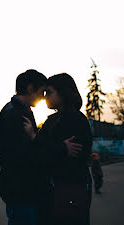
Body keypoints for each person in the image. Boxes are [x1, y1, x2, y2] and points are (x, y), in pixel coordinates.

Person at [0, 70, 83, 225]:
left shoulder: (20, 111)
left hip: (23, 189)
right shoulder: (15, 114)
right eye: (43, 91)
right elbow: (27, 154)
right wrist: (61, 149)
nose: (44, 97)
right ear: (30, 88)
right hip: (22, 190)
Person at [24, 73, 93, 225]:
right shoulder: (53, 120)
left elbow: (74, 154)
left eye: (49, 92)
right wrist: (61, 148)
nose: (45, 97)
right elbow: (40, 151)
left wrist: (39, 141)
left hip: (70, 189)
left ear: (63, 93)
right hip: (55, 190)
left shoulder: (76, 120)